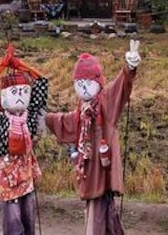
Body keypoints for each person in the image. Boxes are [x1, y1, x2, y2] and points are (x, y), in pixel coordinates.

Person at [43, 40, 141, 235]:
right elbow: (68, 122)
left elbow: (119, 89)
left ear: (98, 82)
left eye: (88, 83)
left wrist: (129, 68)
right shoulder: (82, 110)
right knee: (105, 210)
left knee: (100, 208)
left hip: (103, 167)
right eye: (80, 84)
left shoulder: (105, 102)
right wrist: (46, 119)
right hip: (89, 169)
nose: (84, 88)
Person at [0, 45, 48, 235]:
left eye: (23, 93)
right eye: (14, 93)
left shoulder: (29, 116)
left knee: (28, 219)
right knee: (13, 222)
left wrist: (20, 65)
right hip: (8, 175)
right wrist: (0, 66)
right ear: (4, 97)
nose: (20, 98)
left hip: (26, 172)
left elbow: (42, 81)